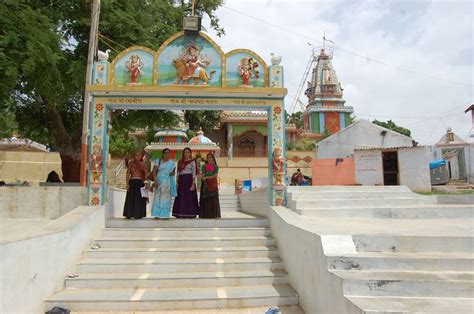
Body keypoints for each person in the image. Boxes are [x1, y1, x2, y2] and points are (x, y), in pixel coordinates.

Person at [172, 148, 199, 218]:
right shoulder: (180, 162)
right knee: (181, 197)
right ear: (183, 153)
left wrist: (193, 184)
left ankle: (190, 214)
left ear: (190, 153)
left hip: (189, 180)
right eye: (185, 152)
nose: (186, 154)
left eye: (188, 152)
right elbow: (178, 172)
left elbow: (194, 173)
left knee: (189, 197)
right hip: (181, 181)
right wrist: (177, 182)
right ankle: (180, 214)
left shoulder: (192, 162)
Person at [150, 148, 177, 219]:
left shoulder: (171, 163)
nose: (167, 154)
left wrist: (172, 173)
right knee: (157, 197)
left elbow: (173, 172)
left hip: (167, 182)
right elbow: (154, 171)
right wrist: (155, 181)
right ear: (163, 153)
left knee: (166, 198)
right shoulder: (158, 161)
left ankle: (165, 214)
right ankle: (157, 214)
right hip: (159, 181)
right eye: (165, 152)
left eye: (168, 153)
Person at [123, 151, 148, 219]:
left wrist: (146, 183)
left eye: (139, 155)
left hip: (140, 183)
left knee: (139, 199)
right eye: (136, 155)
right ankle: (129, 214)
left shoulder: (143, 164)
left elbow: (145, 174)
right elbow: (128, 173)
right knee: (131, 198)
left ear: (141, 156)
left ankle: (139, 214)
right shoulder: (131, 163)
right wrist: (127, 184)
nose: (138, 156)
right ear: (134, 156)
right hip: (132, 182)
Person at [199, 153, 221, 219]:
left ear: (213, 158)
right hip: (205, 185)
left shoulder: (215, 166)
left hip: (213, 185)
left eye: (210, 157)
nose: (209, 159)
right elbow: (203, 175)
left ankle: (214, 214)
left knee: (213, 199)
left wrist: (206, 178)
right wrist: (203, 178)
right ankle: (205, 215)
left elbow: (215, 175)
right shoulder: (204, 166)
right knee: (206, 199)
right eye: (208, 157)